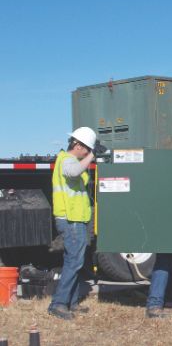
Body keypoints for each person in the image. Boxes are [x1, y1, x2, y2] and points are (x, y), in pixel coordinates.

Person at [48, 126, 97, 320]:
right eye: (86, 148)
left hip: (77, 218)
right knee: (73, 262)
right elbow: (74, 172)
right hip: (70, 218)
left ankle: (71, 301)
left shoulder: (71, 159)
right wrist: (91, 156)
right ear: (77, 145)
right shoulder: (67, 160)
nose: (86, 152)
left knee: (75, 261)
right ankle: (59, 304)